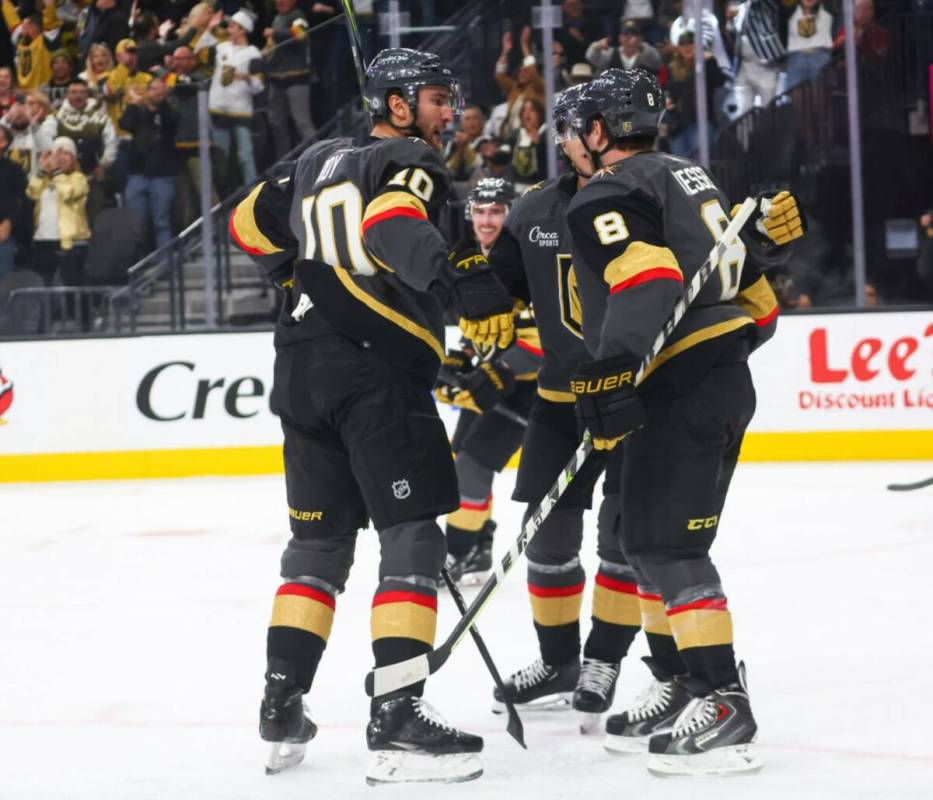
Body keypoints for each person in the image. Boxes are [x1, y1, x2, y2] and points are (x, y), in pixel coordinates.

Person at [229, 47, 516, 784]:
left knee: (317, 547)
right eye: (433, 98)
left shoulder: (316, 158)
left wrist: (295, 274)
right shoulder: (410, 159)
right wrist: (457, 285)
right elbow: (392, 224)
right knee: (411, 535)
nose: (446, 112)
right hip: (373, 375)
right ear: (394, 104)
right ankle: (397, 716)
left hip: (300, 365)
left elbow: (245, 226)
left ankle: (281, 703)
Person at [562, 68, 802, 775]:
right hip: (712, 379)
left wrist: (611, 368)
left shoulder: (606, 192)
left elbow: (650, 280)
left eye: (577, 130)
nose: (570, 144)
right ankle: (678, 681)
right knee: (643, 540)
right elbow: (758, 308)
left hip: (680, 386)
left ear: (599, 131)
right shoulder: (687, 178)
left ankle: (721, 697)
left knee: (667, 548)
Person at [480, 85, 643, 730]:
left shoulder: (642, 197)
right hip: (558, 400)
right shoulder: (534, 208)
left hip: (631, 398)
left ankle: (603, 658)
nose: (570, 140)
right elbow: (498, 289)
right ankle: (558, 662)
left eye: (578, 129)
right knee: (548, 538)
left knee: (623, 539)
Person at [435, 178, 542, 585]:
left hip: (526, 387)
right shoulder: (478, 258)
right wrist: (461, 357)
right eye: (480, 210)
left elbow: (545, 337)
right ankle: (478, 547)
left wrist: (497, 370)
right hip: (495, 378)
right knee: (461, 459)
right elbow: (487, 327)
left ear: (509, 214)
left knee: (472, 468)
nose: (486, 219)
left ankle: (454, 555)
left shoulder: (524, 258)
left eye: (495, 211)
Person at [120, 77, 177, 253]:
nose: (155, 92)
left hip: (162, 175)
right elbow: (125, 124)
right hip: (137, 174)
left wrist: (160, 105)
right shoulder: (139, 112)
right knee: (136, 225)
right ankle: (138, 266)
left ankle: (164, 266)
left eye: (160, 89)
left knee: (162, 222)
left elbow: (170, 124)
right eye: (152, 88)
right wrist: (134, 103)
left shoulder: (170, 111)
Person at [206, 10, 262, 187]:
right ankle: (225, 199)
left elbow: (259, 86)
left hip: (240, 111)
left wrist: (245, 76)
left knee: (245, 156)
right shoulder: (221, 47)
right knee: (221, 158)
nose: (229, 29)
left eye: (232, 26)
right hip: (218, 109)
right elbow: (204, 40)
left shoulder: (253, 53)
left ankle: (252, 194)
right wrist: (211, 26)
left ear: (242, 29)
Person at [26, 135, 91, 288]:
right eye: (57, 153)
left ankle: (76, 312)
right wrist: (42, 170)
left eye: (66, 153)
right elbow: (31, 193)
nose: (60, 158)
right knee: (45, 285)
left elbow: (68, 194)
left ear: (74, 158)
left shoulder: (79, 178)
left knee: (71, 285)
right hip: (43, 239)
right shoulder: (47, 180)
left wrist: (55, 170)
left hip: (70, 242)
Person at [263, 0, 315, 159]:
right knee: (276, 122)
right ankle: (284, 161)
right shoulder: (277, 18)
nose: (281, 2)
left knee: (302, 121)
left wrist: (274, 33)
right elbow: (273, 49)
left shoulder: (298, 15)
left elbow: (301, 34)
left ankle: (318, 156)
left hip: (296, 78)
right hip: (276, 79)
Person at [586, 19, 662, 75]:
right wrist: (596, 47)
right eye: (626, 34)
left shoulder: (645, 53)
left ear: (640, 37)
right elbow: (592, 58)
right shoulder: (611, 53)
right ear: (620, 37)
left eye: (633, 34)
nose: (629, 37)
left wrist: (640, 44)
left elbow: (656, 61)